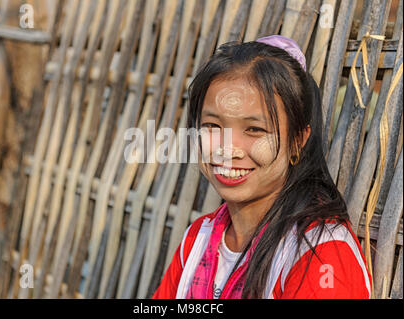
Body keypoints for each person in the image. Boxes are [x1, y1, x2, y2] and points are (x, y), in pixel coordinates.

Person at [152, 35, 371, 299]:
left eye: (255, 129)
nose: (228, 149)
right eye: (212, 126)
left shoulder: (321, 254)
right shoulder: (197, 241)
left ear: (297, 141)